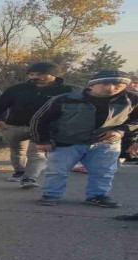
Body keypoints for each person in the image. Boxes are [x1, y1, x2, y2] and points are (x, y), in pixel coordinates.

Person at [31, 70, 138, 207]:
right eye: (105, 84)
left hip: (106, 143)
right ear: (92, 85)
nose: (111, 88)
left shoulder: (131, 100)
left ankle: (98, 196)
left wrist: (120, 130)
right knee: (56, 171)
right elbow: (39, 118)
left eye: (119, 85)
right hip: (66, 141)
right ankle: (50, 195)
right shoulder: (65, 98)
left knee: (104, 172)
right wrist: (42, 140)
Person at [0, 62, 77, 188]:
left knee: (36, 152)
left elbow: (79, 109)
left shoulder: (68, 91)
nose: (35, 77)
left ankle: (30, 178)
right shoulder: (17, 89)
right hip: (15, 126)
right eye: (31, 74)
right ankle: (19, 172)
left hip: (44, 127)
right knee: (17, 151)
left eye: (40, 74)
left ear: (54, 75)